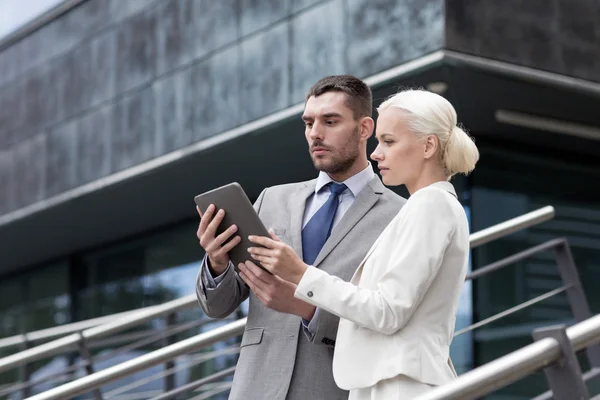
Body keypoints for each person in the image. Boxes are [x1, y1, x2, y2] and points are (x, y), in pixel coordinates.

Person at [245, 88, 479, 399]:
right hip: (385, 380)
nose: (375, 153)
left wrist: (301, 274)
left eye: (389, 141)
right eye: (379, 141)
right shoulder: (427, 206)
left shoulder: (430, 205)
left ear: (428, 146)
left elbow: (387, 310)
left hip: (401, 384)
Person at [195, 75, 406, 400]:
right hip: (255, 388)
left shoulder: (400, 217)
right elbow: (217, 307)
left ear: (365, 128)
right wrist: (217, 261)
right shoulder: (270, 200)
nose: (315, 134)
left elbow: (389, 323)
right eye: (309, 123)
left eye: (330, 121)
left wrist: (307, 309)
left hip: (332, 390)